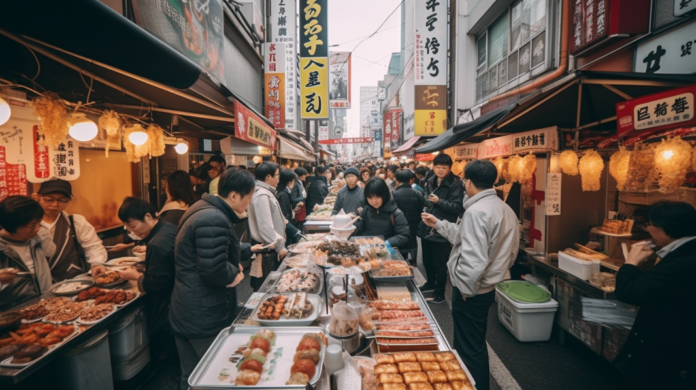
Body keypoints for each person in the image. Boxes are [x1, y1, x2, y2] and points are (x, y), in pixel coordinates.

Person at [421, 160, 519, 390]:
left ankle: (472, 385)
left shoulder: (476, 212)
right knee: (473, 343)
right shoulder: (503, 208)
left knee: (469, 348)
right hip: (487, 287)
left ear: (469, 182)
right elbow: (505, 249)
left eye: (464, 180)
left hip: (472, 291)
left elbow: (473, 260)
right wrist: (439, 223)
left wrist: (464, 291)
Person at [169, 168, 251, 390]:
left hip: (187, 308)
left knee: (192, 376)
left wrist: (245, 250)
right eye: (248, 198)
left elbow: (207, 251)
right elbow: (214, 270)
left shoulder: (203, 208)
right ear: (233, 195)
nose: (248, 204)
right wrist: (236, 272)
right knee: (215, 376)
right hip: (203, 314)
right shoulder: (213, 217)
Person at [614, 201, 696, 390]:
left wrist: (631, 263)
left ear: (665, 227)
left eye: (651, 224)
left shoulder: (680, 264)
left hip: (667, 345)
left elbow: (630, 292)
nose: (648, 229)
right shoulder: (685, 252)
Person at [116, 197, 177, 362]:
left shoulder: (157, 243)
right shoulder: (167, 228)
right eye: (127, 227)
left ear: (149, 217)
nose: (131, 231)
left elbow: (157, 283)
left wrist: (134, 276)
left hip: (169, 301)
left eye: (133, 226)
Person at [32, 179, 107, 281]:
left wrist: (96, 263)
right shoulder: (26, 224)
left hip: (73, 281)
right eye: (49, 199)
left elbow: (93, 246)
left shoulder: (75, 221)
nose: (55, 205)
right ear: (37, 197)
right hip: (38, 285)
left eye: (62, 200)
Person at [417, 153, 464, 304]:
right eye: (438, 167)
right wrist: (426, 205)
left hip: (442, 229)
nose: (441, 170)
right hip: (427, 226)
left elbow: (456, 207)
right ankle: (430, 283)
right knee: (427, 260)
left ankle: (440, 293)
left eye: (444, 167)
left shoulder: (455, 184)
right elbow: (425, 197)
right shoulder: (430, 180)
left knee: (440, 264)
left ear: (450, 168)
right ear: (433, 167)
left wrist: (439, 201)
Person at [0, 196, 55, 310]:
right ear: (10, 226)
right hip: (14, 313)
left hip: (45, 304)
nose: (37, 228)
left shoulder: (36, 237)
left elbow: (50, 252)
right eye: (31, 226)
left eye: (39, 223)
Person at [248, 162, 288, 291]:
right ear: (267, 177)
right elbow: (265, 227)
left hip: (270, 249)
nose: (279, 179)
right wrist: (280, 247)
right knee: (266, 289)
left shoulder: (264, 192)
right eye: (277, 175)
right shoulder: (262, 195)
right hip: (267, 251)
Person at [354, 178, 410, 249]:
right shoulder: (366, 210)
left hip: (386, 252)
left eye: (377, 197)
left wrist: (386, 243)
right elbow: (359, 229)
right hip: (367, 249)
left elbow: (403, 235)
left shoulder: (395, 213)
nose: (374, 201)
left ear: (384, 195)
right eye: (370, 198)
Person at [393, 170, 425, 265]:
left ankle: (403, 260)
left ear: (397, 180)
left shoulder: (395, 194)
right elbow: (421, 209)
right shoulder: (418, 193)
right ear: (410, 180)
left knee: (402, 242)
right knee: (413, 242)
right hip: (414, 224)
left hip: (400, 225)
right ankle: (413, 260)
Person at [276, 169, 302, 246]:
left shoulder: (283, 192)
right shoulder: (283, 194)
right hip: (285, 230)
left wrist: (294, 210)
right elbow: (284, 215)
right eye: (294, 181)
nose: (294, 184)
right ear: (289, 181)